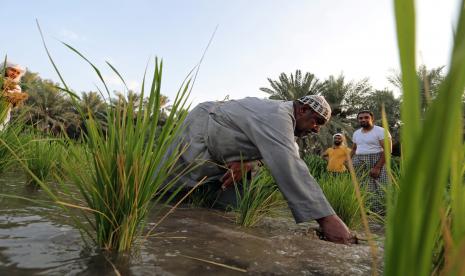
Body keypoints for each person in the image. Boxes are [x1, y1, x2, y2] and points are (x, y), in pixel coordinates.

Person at [165, 95, 356, 244]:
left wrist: (249, 163)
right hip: (199, 128)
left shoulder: (287, 130)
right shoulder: (278, 114)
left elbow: (282, 154)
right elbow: (289, 164)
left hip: (226, 159)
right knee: (170, 185)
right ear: (303, 109)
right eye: (317, 121)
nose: (316, 129)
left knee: (226, 209)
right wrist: (328, 219)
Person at [351, 110, 391, 214]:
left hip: (377, 159)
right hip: (359, 161)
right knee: (363, 186)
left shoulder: (381, 131)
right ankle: (368, 211)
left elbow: (387, 149)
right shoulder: (356, 133)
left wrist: (377, 167)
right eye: (360, 118)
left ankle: (383, 212)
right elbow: (354, 149)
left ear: (372, 119)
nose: (363, 119)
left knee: (381, 186)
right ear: (358, 120)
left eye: (366, 117)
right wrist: (348, 161)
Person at [1, 62, 28, 130]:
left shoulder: (17, 88)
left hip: (3, 115)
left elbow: (13, 104)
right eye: (13, 70)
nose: (14, 74)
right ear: (6, 69)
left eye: (17, 73)